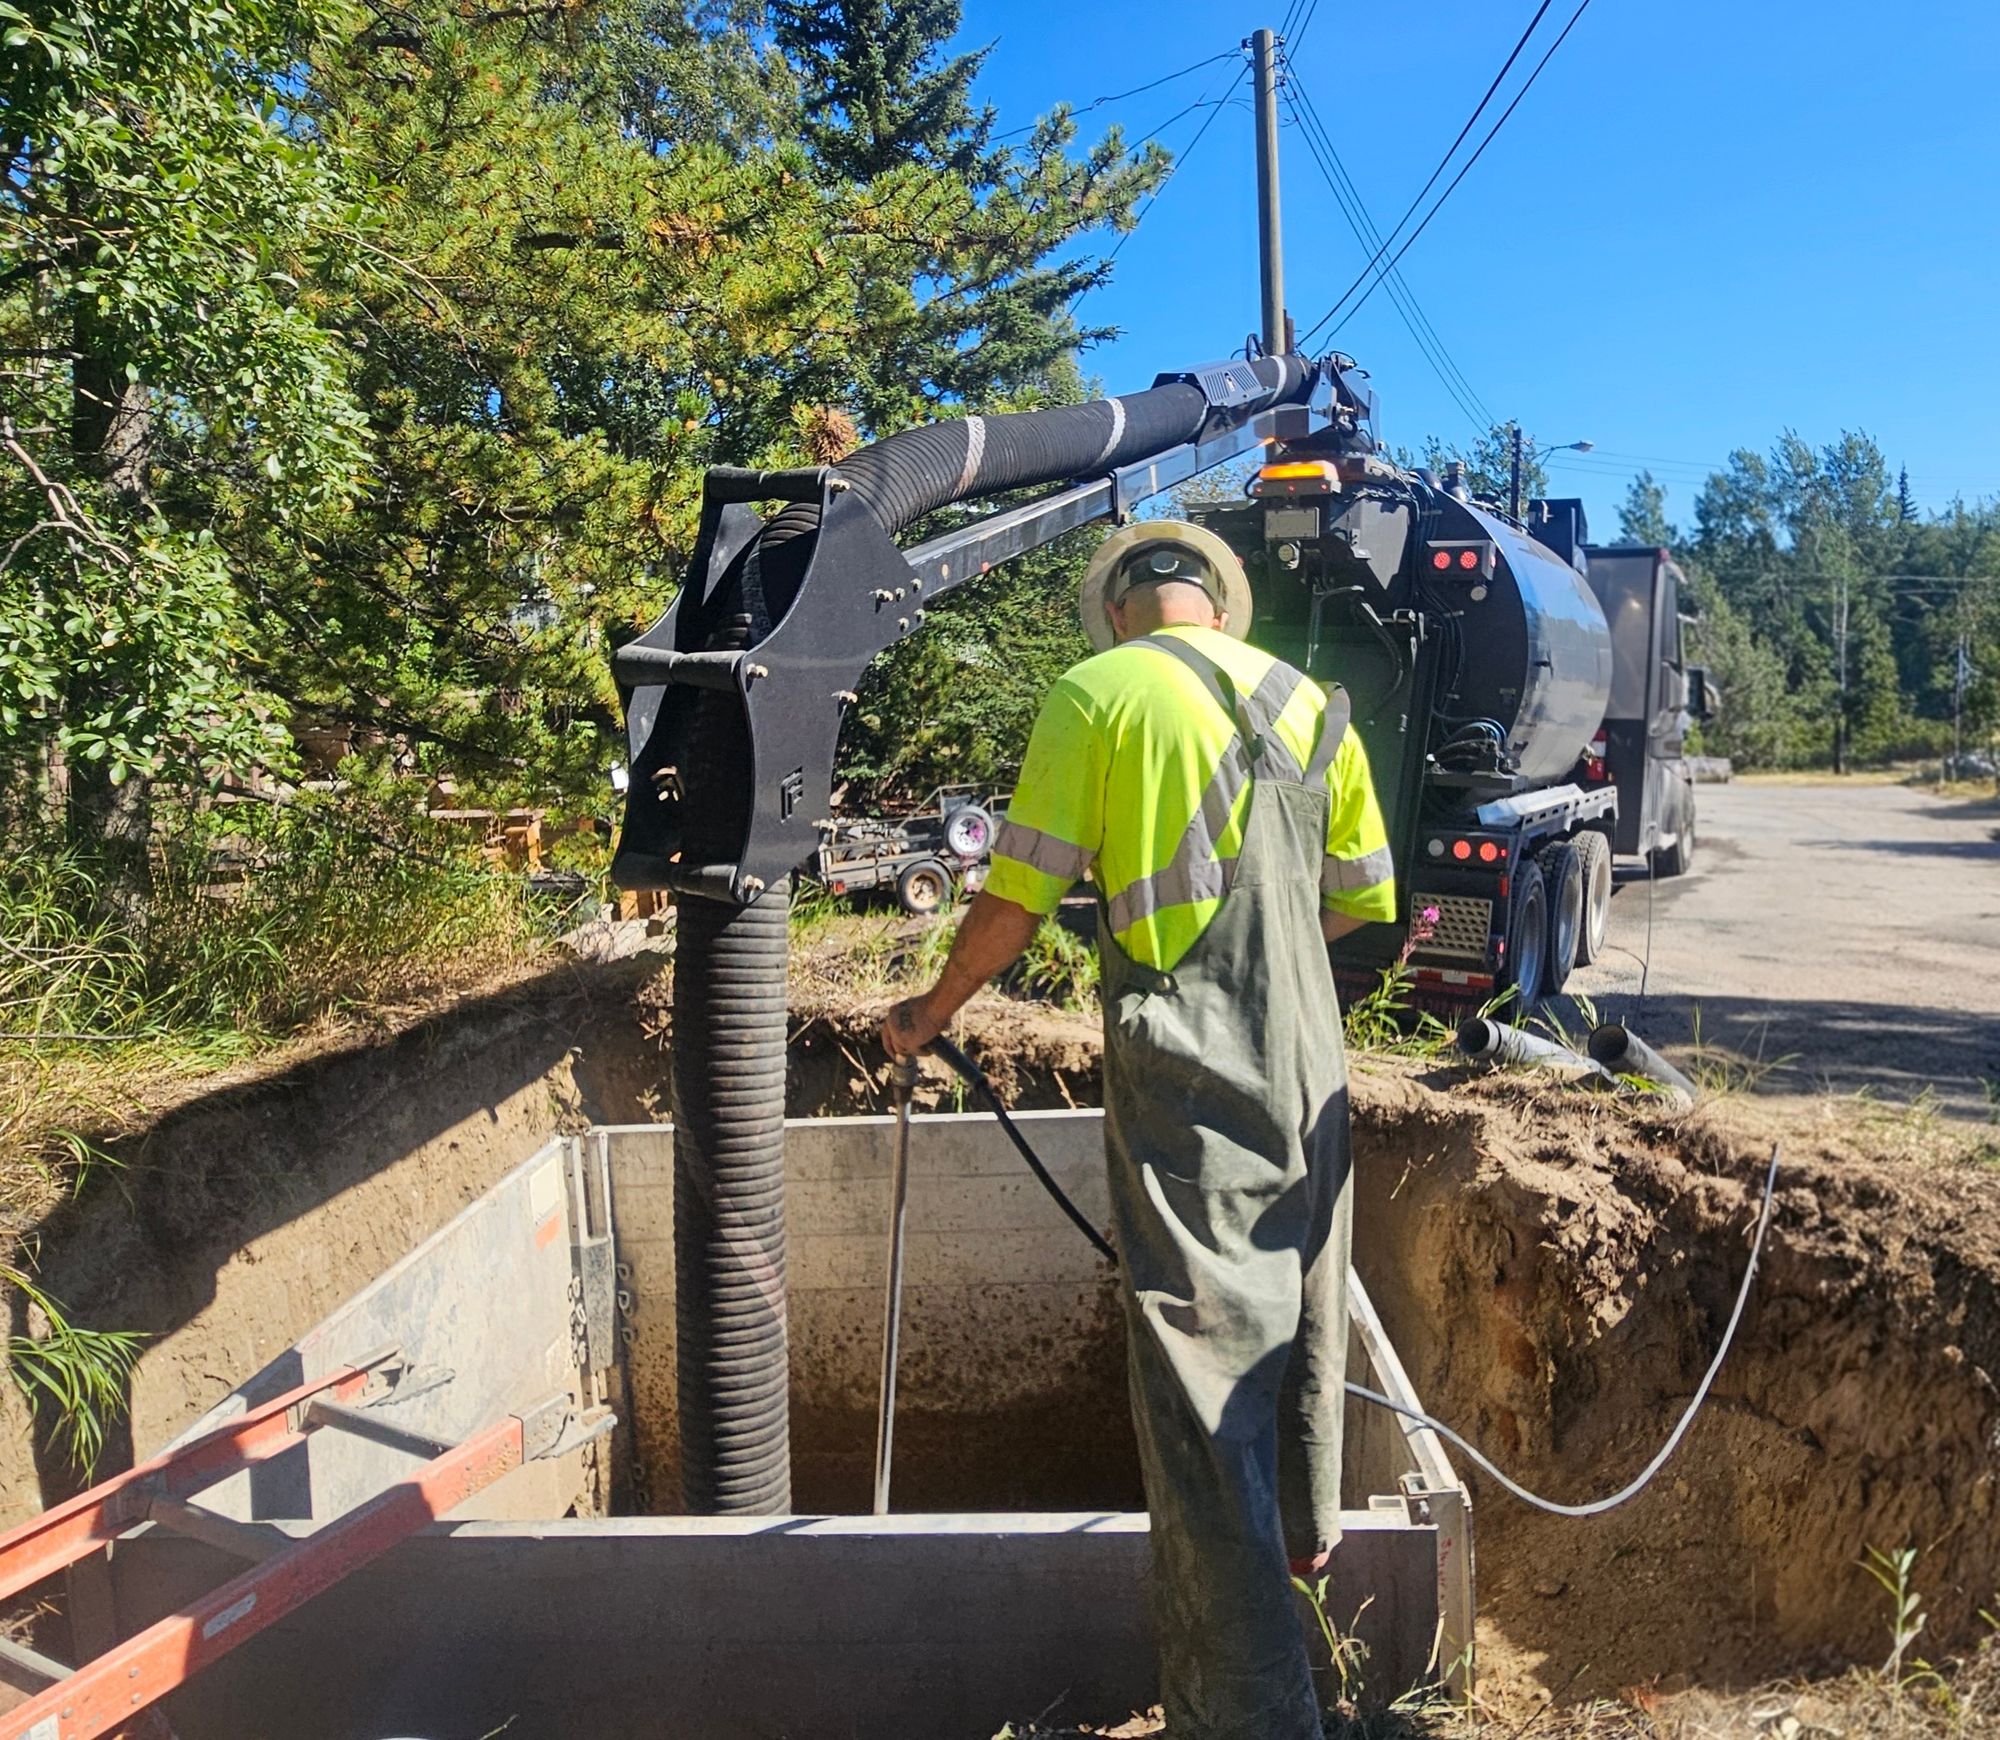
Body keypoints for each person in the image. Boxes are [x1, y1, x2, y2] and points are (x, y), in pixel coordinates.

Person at [881, 520, 1396, 1739]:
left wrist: (930, 1008)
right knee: (1303, 1330)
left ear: (1117, 607)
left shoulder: (1094, 696)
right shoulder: (1313, 703)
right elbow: (1362, 905)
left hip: (1190, 1073)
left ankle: (1247, 1716)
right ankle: (1310, 1567)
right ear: (1213, 603)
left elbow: (1018, 894)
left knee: (1199, 1387)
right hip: (1308, 1068)